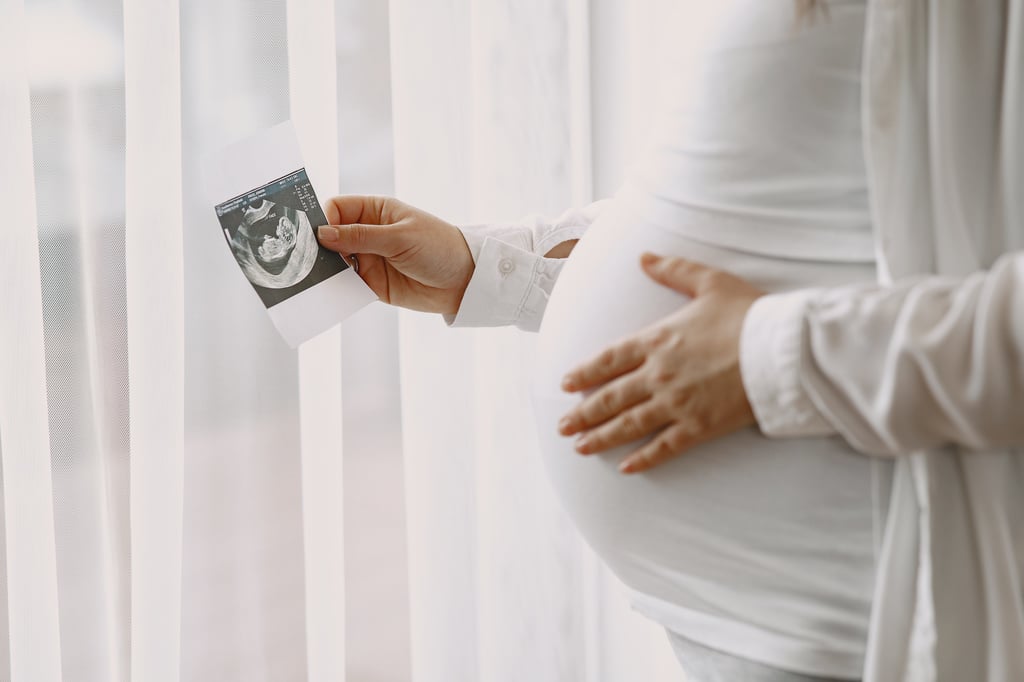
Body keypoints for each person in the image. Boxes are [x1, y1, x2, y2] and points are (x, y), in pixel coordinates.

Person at [316, 1, 1024, 680]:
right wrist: (489, 269)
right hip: (744, 626)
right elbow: (767, 216)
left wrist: (773, 356)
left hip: (841, 621)